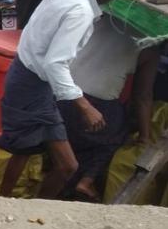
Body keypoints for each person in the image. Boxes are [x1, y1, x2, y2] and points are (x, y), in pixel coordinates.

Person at [0, 0, 168, 200]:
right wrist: (85, 106)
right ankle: (19, 203)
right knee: (65, 164)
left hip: (30, 76)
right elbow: (55, 64)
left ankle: (14, 201)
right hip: (34, 84)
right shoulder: (81, 11)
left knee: (26, 149)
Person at [59, 18, 160, 202]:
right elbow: (143, 97)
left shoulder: (99, 18)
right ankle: (87, 181)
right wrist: (144, 137)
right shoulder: (150, 46)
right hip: (93, 106)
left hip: (61, 96)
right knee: (117, 135)